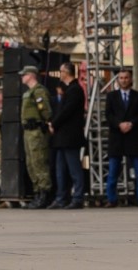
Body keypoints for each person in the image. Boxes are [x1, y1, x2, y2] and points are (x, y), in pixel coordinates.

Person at [104, 69, 138, 207]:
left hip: (133, 136)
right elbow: (108, 115)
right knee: (112, 172)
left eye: (126, 78)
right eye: (121, 78)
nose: (123, 80)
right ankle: (111, 199)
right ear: (118, 80)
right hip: (117, 137)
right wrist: (119, 124)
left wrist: (131, 123)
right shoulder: (111, 96)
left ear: (131, 79)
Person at [48, 62, 86, 209]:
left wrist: (54, 123)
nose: (60, 74)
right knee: (60, 169)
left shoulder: (75, 90)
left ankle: (77, 197)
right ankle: (61, 197)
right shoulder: (69, 89)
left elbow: (67, 111)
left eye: (61, 71)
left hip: (70, 136)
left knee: (74, 168)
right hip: (62, 137)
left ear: (66, 72)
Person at [19, 66, 53, 209]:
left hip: (36, 131)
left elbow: (45, 109)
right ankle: (37, 192)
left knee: (39, 162)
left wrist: (48, 121)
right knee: (31, 164)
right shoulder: (28, 93)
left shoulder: (39, 91)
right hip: (28, 132)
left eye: (24, 74)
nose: (22, 77)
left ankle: (44, 193)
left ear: (31, 75)